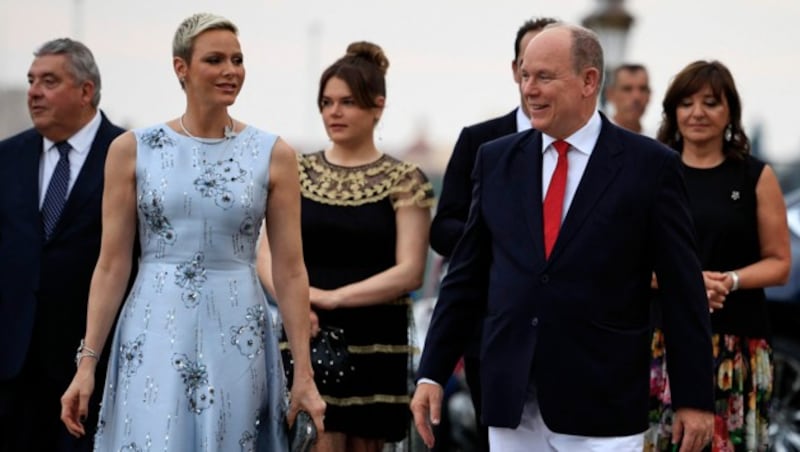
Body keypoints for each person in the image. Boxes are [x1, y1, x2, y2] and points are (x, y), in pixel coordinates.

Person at [411, 23, 715, 452]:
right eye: (525, 75)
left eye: (544, 77)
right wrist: (432, 373)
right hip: (511, 398)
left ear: (589, 81)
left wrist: (695, 399)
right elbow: (466, 277)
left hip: (602, 400)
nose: (529, 89)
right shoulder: (495, 160)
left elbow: (684, 291)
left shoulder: (651, 166)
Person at [59, 12, 325, 451]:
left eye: (237, 60)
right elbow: (111, 264)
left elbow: (291, 270)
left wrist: (304, 374)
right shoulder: (131, 150)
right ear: (180, 68)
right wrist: (86, 364)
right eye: (215, 59)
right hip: (153, 327)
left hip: (239, 329)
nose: (231, 71)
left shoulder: (273, 154)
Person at [257, 41, 433, 452]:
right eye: (326, 102)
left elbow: (410, 270)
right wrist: (299, 304)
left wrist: (332, 298)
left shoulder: (405, 179)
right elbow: (267, 255)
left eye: (347, 102)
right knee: (316, 441)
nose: (334, 112)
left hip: (377, 339)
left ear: (377, 106)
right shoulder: (296, 171)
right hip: (307, 332)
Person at [646, 61, 791, 451]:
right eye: (687, 102)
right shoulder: (651, 174)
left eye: (711, 102)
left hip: (737, 346)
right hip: (663, 341)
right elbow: (626, 261)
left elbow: (779, 262)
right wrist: (685, 282)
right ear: (673, 112)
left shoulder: (756, 176)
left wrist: (730, 280)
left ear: (730, 112)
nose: (697, 113)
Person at [428, 16, 556, 452]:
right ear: (515, 69)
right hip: (493, 331)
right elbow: (443, 229)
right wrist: (499, 239)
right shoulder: (482, 142)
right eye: (528, 67)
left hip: (572, 343)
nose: (535, 80)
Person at [0, 38, 128, 452]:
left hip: (93, 370)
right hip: (11, 367)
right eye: (31, 81)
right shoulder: (8, 158)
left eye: (49, 81)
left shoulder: (129, 155)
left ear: (86, 91)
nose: (34, 92)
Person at [605, 63, 651, 134]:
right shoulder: (596, 138)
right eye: (627, 89)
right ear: (610, 95)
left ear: (649, 95)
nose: (637, 97)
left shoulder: (659, 141)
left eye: (643, 89)